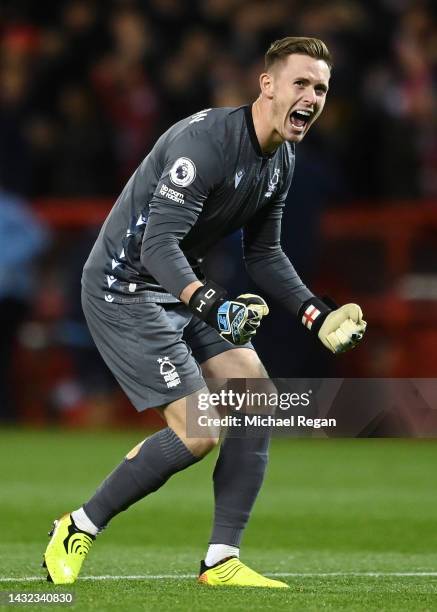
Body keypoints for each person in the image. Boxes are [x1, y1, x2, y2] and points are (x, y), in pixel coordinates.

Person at [43, 36, 366, 588]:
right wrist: (212, 302)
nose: (312, 97)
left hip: (181, 286)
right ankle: (77, 526)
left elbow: (263, 253)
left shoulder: (282, 159)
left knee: (256, 400)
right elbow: (156, 247)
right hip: (125, 288)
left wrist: (316, 315)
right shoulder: (206, 145)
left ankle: (221, 560)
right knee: (200, 430)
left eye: (321, 89)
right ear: (267, 85)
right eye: (302, 84)